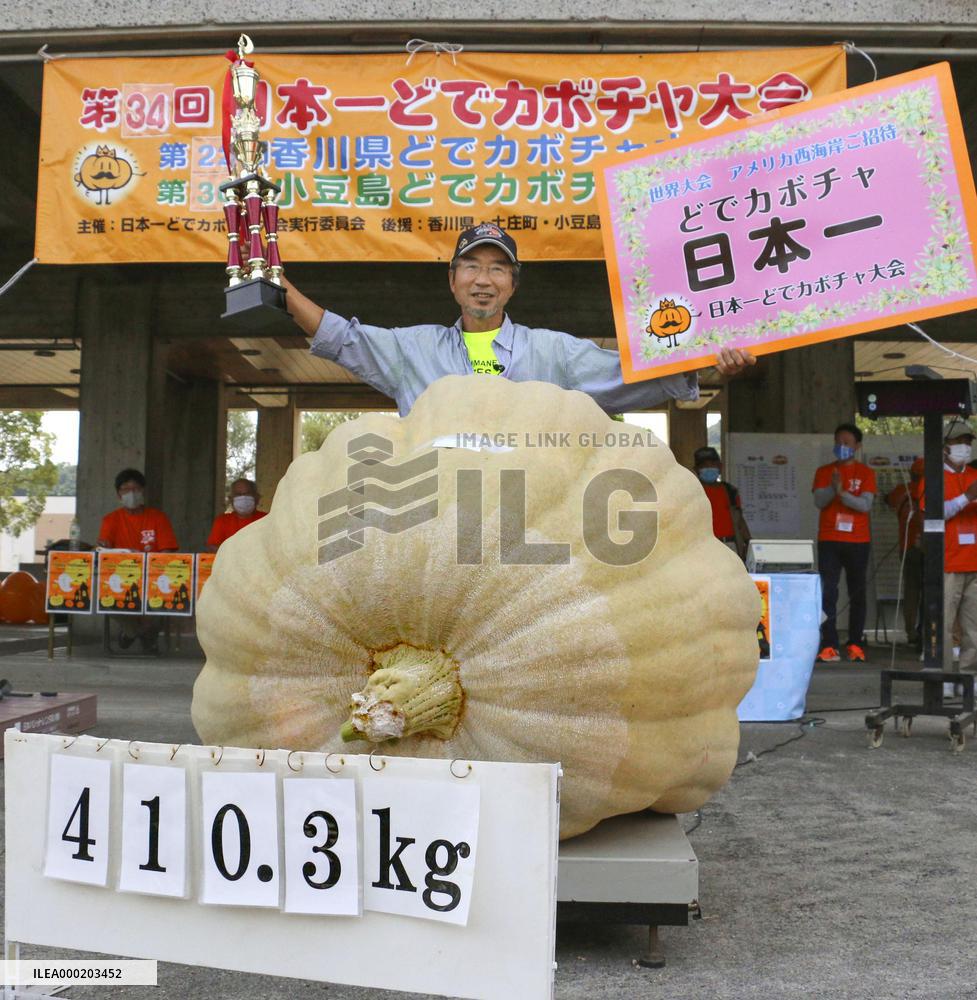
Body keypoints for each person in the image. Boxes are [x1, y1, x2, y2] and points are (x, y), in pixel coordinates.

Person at [281, 222, 755, 416]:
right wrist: (281, 289)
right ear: (453, 279)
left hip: (531, 538)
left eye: (497, 268)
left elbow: (630, 372)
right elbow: (342, 338)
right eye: (471, 266)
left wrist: (710, 361)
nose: (482, 279)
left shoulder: (553, 352)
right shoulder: (413, 350)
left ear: (513, 283)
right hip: (437, 534)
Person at [812, 423, 876, 663]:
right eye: (838, 442)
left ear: (857, 446)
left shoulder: (866, 473)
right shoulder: (824, 471)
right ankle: (829, 645)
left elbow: (865, 505)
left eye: (847, 443)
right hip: (829, 539)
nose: (841, 447)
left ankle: (856, 644)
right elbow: (819, 501)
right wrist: (832, 488)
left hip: (858, 540)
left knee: (857, 593)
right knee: (828, 591)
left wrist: (843, 494)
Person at [96, 468, 178, 652]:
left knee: (163, 599)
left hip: (153, 578)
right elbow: (104, 551)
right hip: (122, 579)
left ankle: (137, 633)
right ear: (118, 494)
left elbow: (167, 552)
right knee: (108, 598)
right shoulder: (111, 520)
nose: (131, 494)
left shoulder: (158, 518)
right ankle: (137, 633)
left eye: (135, 489)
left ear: (142, 491)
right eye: (125, 490)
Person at [940, 417, 977, 676]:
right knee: (943, 624)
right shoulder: (934, 476)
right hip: (948, 562)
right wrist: (968, 496)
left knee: (973, 626)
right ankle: (942, 676)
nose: (965, 446)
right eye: (959, 441)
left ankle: (969, 676)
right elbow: (937, 513)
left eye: (968, 441)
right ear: (945, 446)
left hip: (974, 562)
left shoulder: (975, 474)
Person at [885, 457, 924, 647]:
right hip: (930, 548)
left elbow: (887, 499)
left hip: (907, 548)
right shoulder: (932, 489)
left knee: (911, 591)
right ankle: (926, 631)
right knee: (932, 591)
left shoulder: (901, 491)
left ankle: (911, 632)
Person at [694, 445, 751, 559]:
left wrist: (749, 544)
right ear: (696, 469)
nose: (709, 468)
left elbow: (740, 521)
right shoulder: (690, 492)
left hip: (729, 546)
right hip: (700, 548)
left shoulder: (731, 491)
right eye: (704, 466)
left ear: (720, 467)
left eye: (712, 464)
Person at [206, 478, 267, 552]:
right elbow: (213, 547)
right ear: (231, 499)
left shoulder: (267, 519)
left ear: (256, 498)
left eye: (247, 493)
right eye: (238, 494)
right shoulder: (222, 521)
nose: (243, 497)